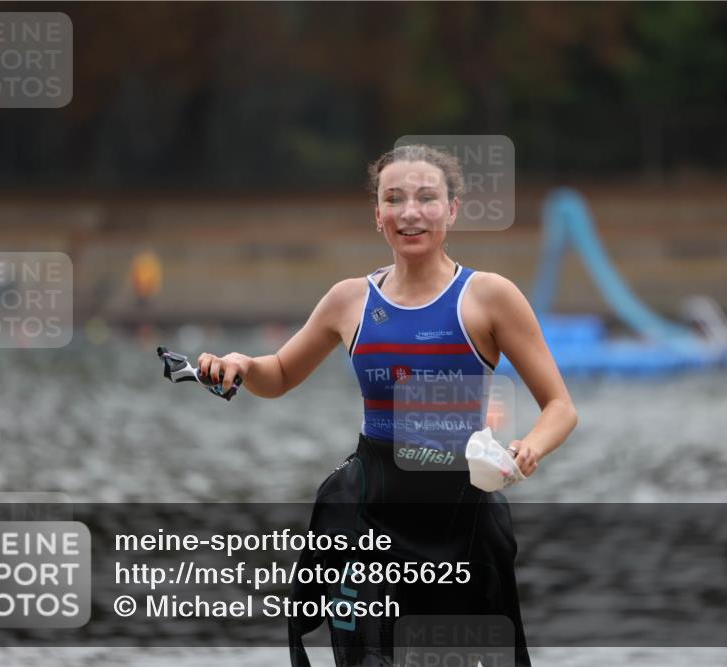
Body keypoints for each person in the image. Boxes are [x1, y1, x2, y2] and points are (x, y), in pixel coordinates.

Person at [198, 144, 577, 666]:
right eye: (394, 199)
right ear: (378, 215)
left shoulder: (489, 297)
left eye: (426, 198)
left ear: (452, 209)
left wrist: (528, 449)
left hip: (460, 523)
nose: (410, 212)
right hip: (366, 517)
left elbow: (560, 406)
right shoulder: (349, 300)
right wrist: (241, 364)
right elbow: (281, 374)